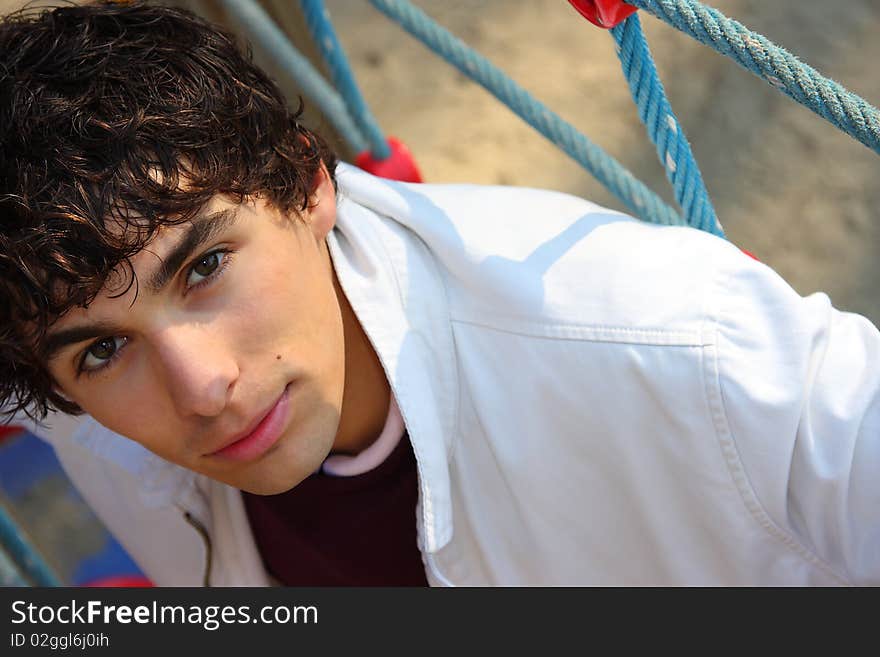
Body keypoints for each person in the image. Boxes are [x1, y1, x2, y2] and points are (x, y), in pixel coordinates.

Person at [1, 1, 878, 587]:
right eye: (105, 348)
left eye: (205, 266)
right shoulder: (82, 405)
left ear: (309, 186)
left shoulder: (665, 342)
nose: (200, 388)